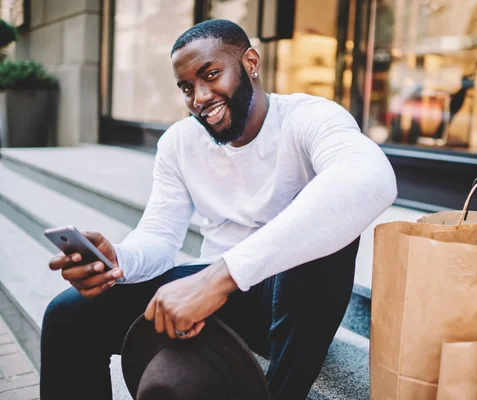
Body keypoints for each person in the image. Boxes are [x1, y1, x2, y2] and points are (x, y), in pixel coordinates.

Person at [40, 19, 397, 400]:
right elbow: (160, 235)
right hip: (210, 291)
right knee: (68, 314)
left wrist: (221, 277)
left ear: (251, 63)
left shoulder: (308, 118)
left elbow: (371, 177)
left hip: (291, 301)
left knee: (327, 226)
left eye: (211, 74)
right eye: (187, 87)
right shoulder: (179, 142)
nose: (200, 97)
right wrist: (119, 260)